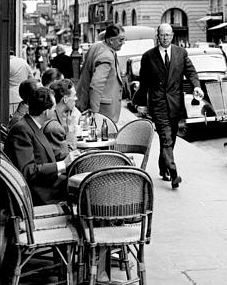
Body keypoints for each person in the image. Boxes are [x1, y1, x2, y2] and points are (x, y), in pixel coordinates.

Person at [133, 23, 203, 189]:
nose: (165, 38)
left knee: (170, 139)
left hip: (175, 103)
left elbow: (191, 72)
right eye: (162, 35)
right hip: (158, 104)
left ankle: (163, 167)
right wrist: (141, 103)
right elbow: (144, 83)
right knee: (166, 137)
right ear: (158, 36)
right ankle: (173, 173)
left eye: (168, 35)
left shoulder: (181, 53)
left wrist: (197, 86)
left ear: (172, 36)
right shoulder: (148, 56)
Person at [4, 85, 76, 204]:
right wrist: (63, 164)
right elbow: (27, 171)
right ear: (46, 112)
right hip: (41, 194)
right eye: (53, 107)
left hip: (47, 185)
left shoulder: (32, 126)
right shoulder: (22, 130)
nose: (55, 110)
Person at [76, 25, 126, 122]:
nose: (123, 43)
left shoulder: (97, 46)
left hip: (90, 103)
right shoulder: (107, 56)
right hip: (104, 111)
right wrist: (95, 112)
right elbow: (96, 84)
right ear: (111, 40)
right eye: (121, 40)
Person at [44, 78, 80, 156]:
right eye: (74, 95)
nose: (76, 98)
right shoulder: (54, 125)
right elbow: (68, 155)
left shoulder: (57, 116)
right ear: (65, 99)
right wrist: (70, 130)